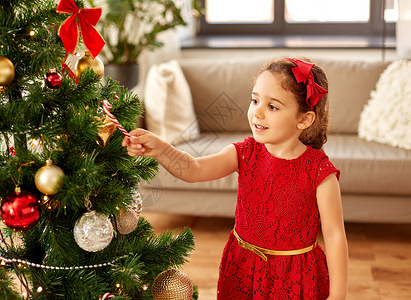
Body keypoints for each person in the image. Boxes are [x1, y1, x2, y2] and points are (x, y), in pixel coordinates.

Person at [122, 57, 348, 299]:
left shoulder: (319, 172)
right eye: (255, 100)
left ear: (304, 119)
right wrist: (160, 148)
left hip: (293, 278)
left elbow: (335, 236)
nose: (257, 112)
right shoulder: (244, 153)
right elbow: (194, 169)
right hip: (243, 270)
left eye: (272, 107)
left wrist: (337, 297)